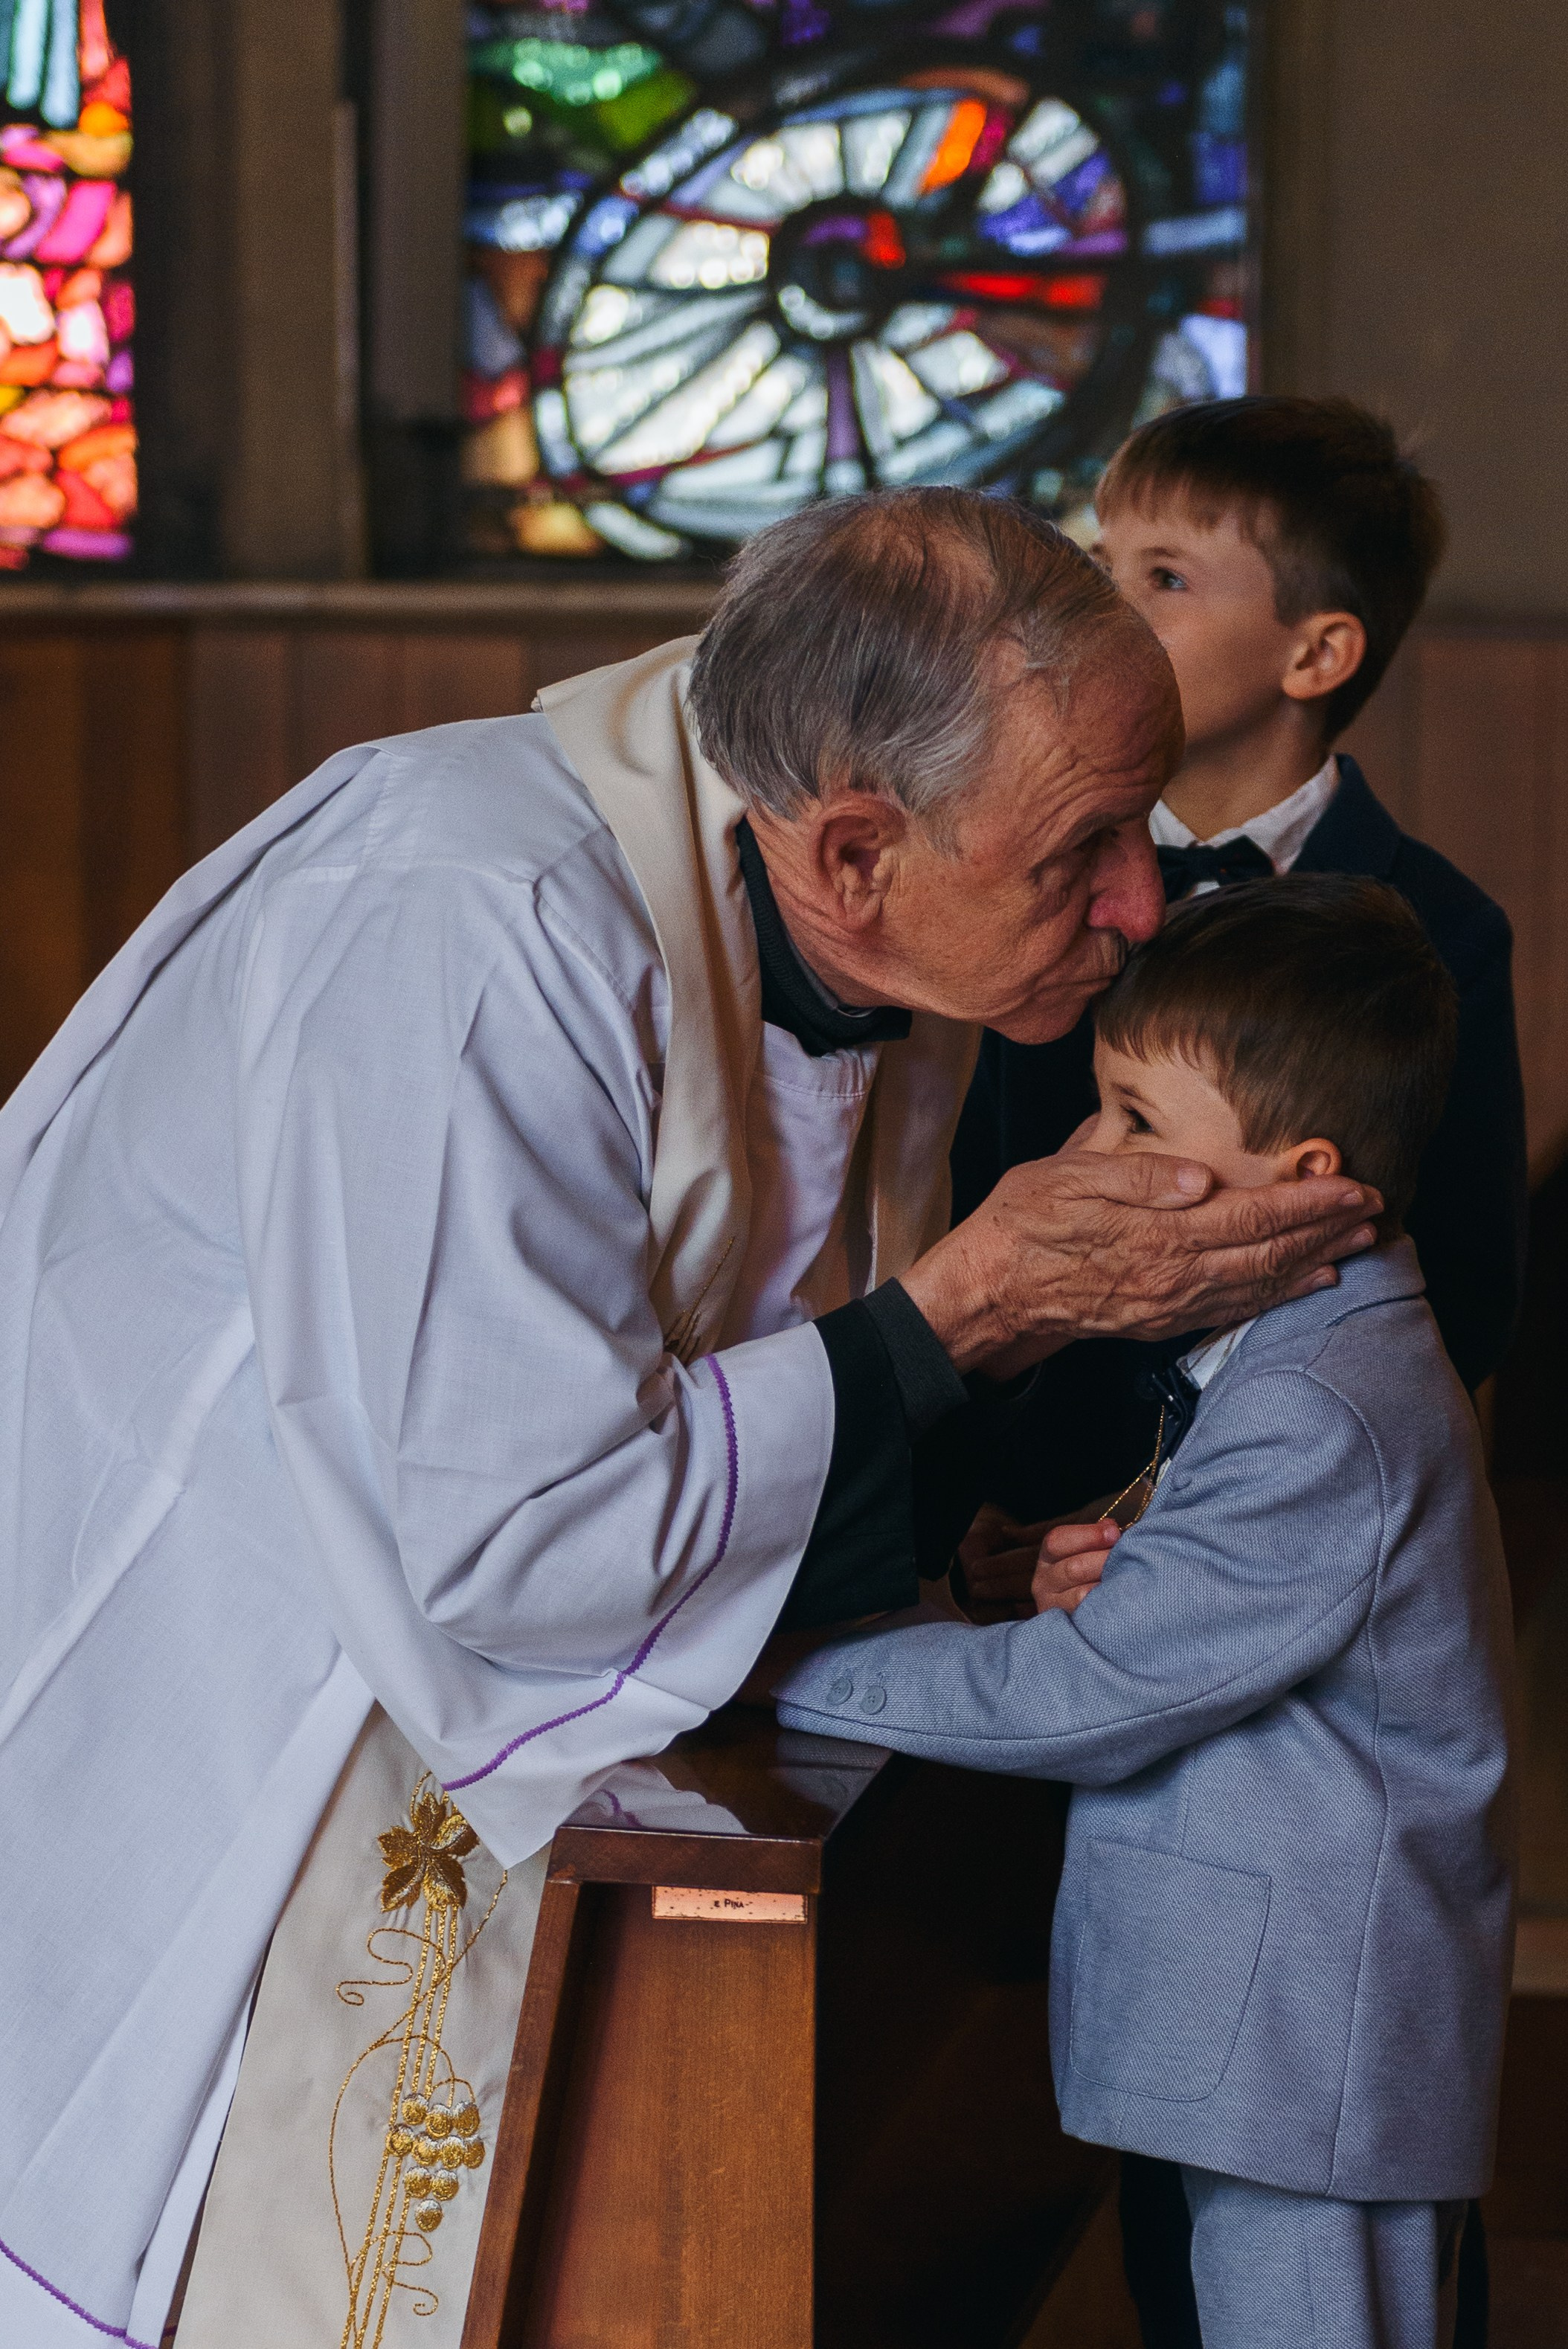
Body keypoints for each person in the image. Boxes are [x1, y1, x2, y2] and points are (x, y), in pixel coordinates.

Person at [0, 491, 1379, 2349]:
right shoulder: (472, 923)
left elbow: (761, 1332)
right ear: (857, 850)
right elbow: (514, 1540)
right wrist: (972, 1307)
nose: (1142, 903)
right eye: (1085, 850)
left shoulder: (834, 893)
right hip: (251, 1681)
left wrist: (962, 1502)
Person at [776, 875, 1516, 2349]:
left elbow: (1087, 1694)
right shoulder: (1305, 1349)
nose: (1081, 1155)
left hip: (1305, 2056)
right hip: (1275, 2048)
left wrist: (786, 1661)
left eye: (1133, 1120)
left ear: (1303, 1179)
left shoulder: (1319, 1404)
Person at [952, 396, 1527, 1540]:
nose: (1096, 612)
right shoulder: (1035, 880)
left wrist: (1199, 1507)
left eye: (1163, 578)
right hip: (1024, 1500)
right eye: (1098, 565)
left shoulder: (1442, 927)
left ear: (1315, 653)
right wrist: (990, 1487)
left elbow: (1466, 1288)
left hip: (1274, 1510)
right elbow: (981, 1190)